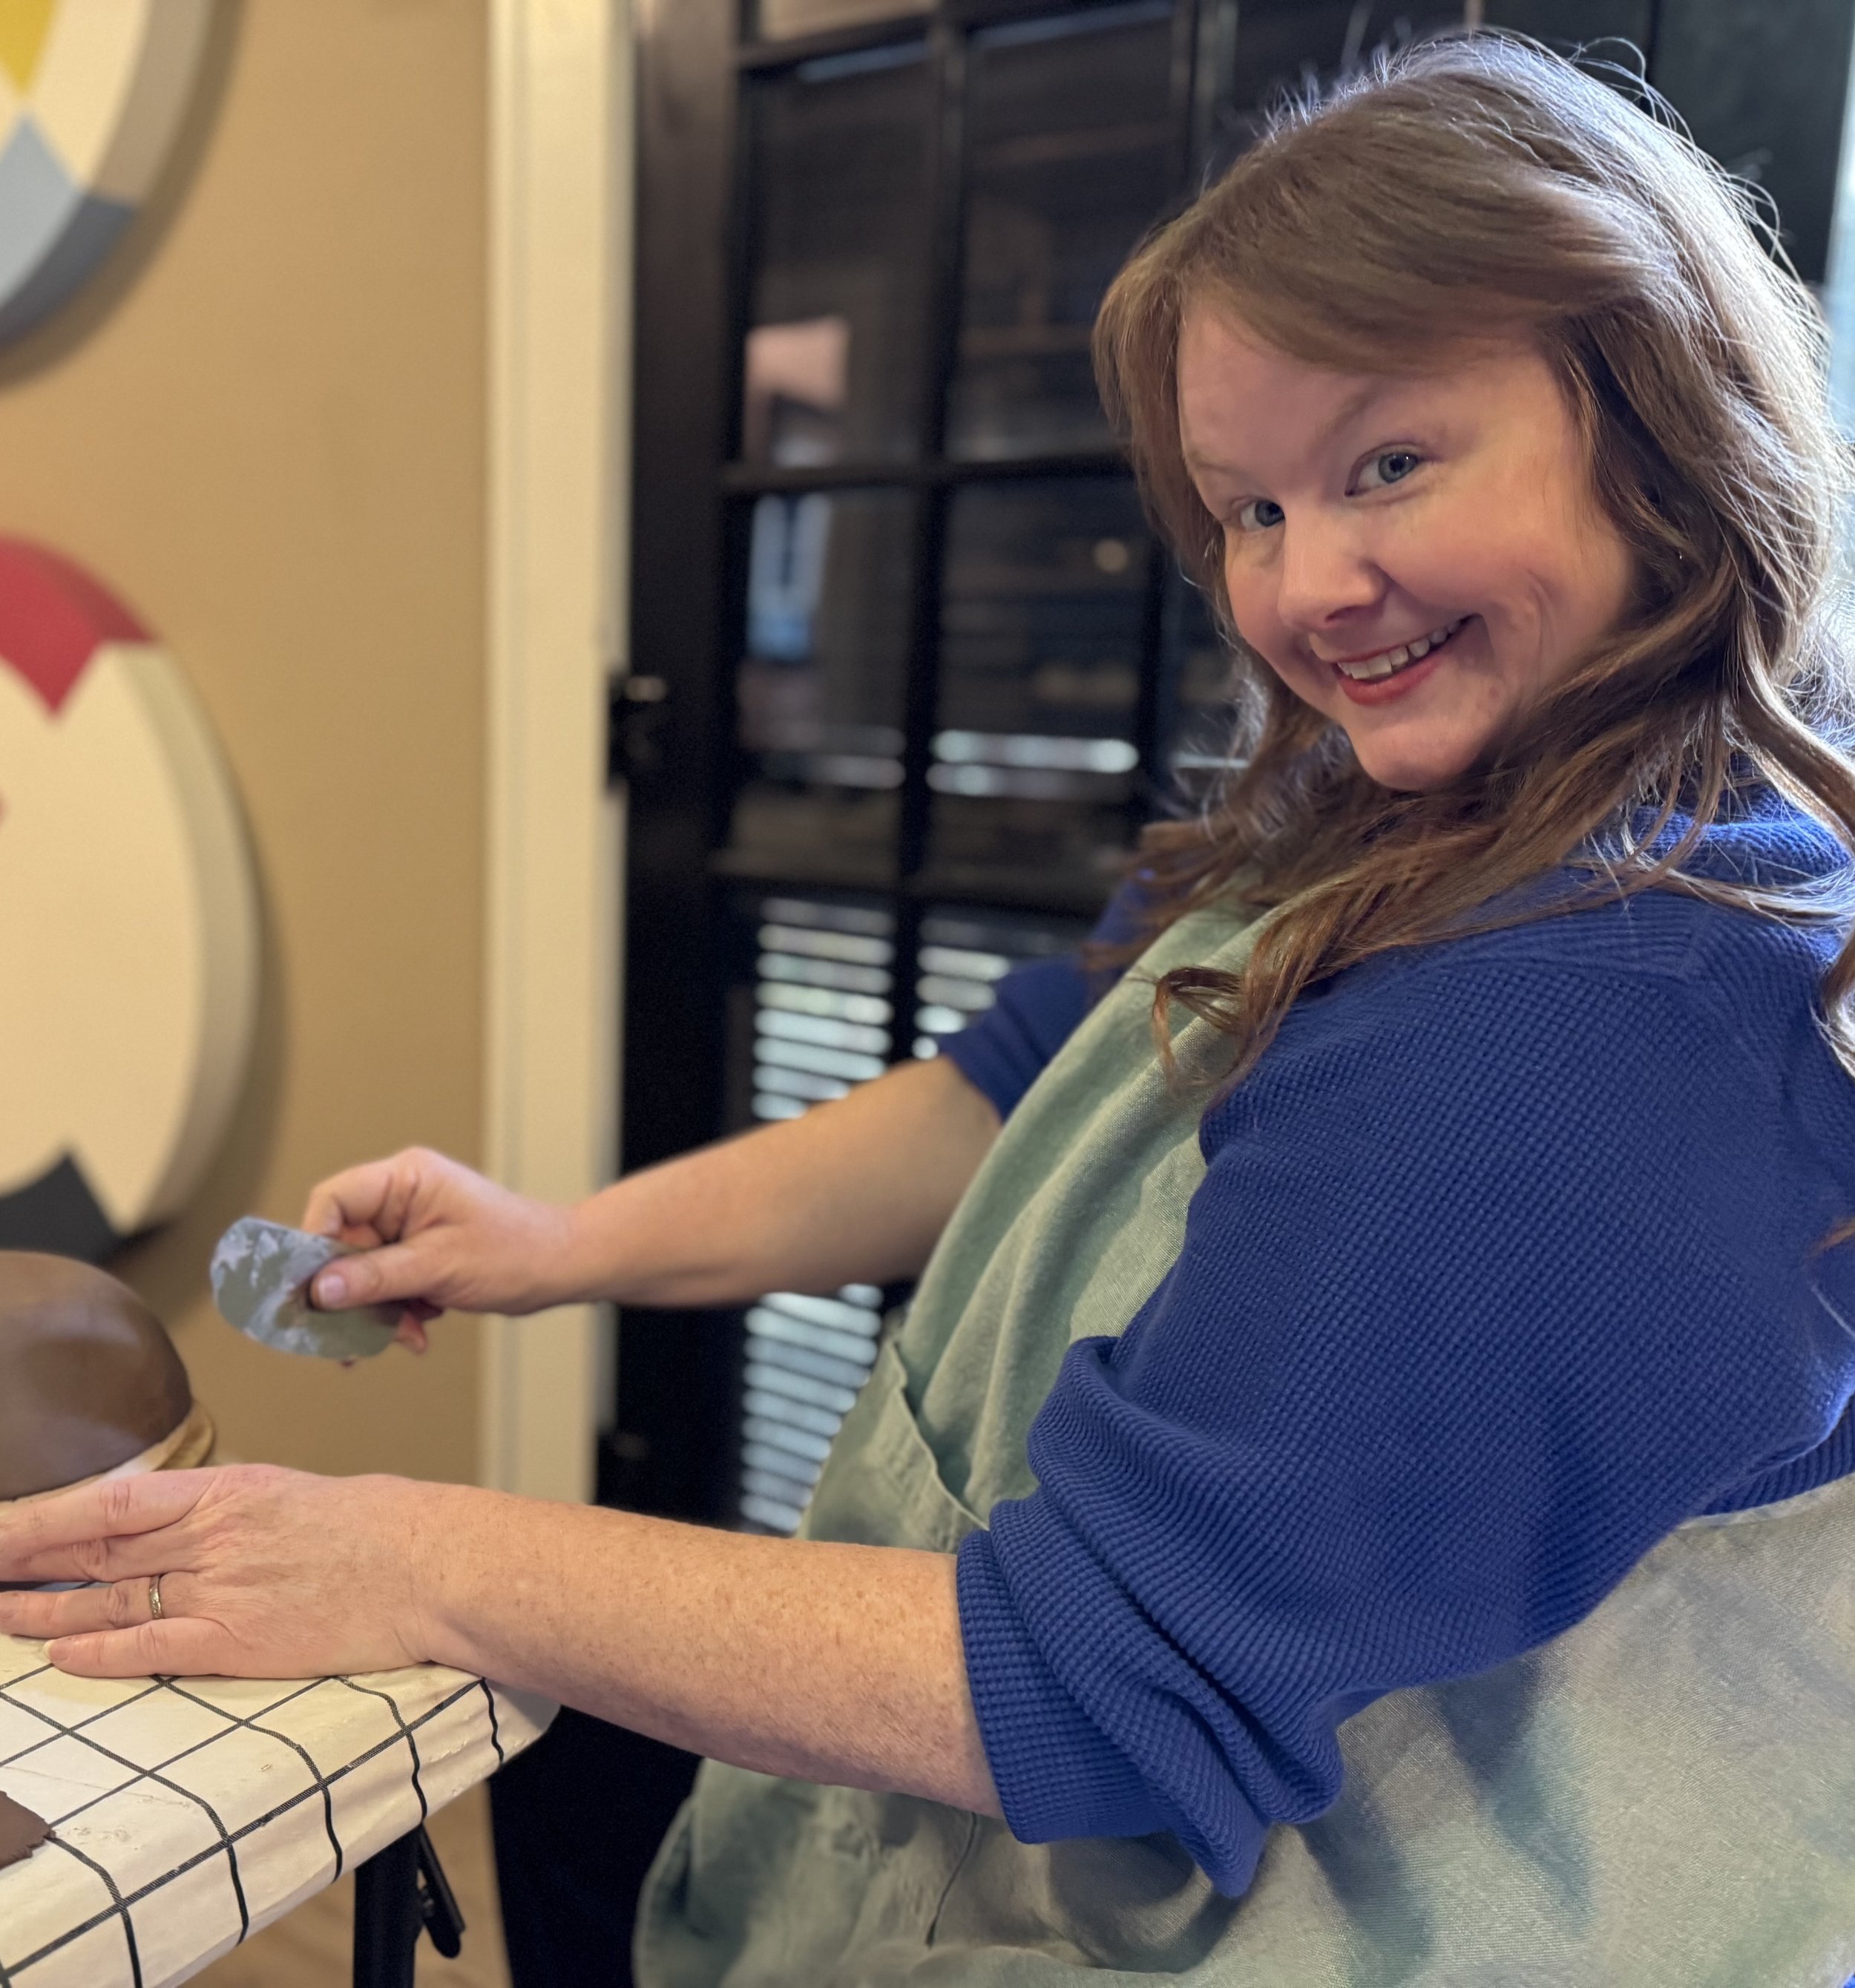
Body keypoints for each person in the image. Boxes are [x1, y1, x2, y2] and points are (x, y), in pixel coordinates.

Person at [8, 31, 1855, 1983]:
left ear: (1656, 414)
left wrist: (416, 1552)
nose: (1307, 586)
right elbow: (1016, 1091)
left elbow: (1099, 1679)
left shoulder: (1611, 1005)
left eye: (1388, 463)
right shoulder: (1390, 808)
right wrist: (558, 1246)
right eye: (1243, 510)